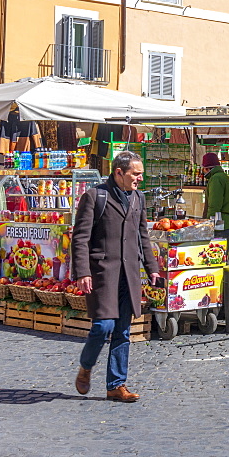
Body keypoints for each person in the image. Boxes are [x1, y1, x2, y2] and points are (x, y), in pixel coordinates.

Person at [71, 150, 160, 402]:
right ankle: (86, 367)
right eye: (136, 174)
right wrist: (83, 272)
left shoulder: (138, 198)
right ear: (119, 172)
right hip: (102, 273)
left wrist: (151, 268)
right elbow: (80, 238)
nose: (140, 179)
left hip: (129, 273)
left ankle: (116, 385)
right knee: (103, 326)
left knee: (122, 330)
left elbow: (143, 236)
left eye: (141, 174)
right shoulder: (95, 196)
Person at [201, 153, 229, 237]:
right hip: (228, 223)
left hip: (220, 225)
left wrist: (208, 224)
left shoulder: (215, 179)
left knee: (215, 249)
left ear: (207, 168)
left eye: (203, 169)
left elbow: (214, 204)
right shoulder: (223, 176)